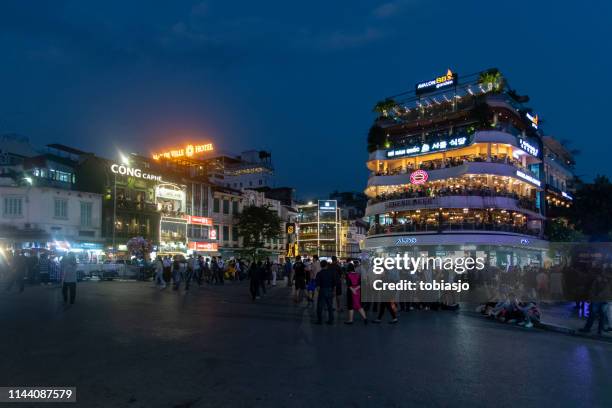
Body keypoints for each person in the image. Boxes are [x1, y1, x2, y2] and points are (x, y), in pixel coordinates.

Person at [315, 260, 336, 324]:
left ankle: (320, 320)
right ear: (327, 265)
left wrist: (320, 291)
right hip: (330, 290)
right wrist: (334, 291)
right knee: (330, 306)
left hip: (322, 290)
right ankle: (331, 320)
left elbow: (318, 285)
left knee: (320, 306)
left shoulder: (319, 273)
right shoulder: (331, 273)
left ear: (321, 266)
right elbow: (334, 283)